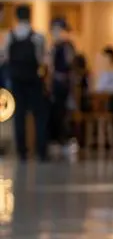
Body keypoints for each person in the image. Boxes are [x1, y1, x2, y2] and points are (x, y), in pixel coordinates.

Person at [0, 5, 48, 161]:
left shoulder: (10, 36)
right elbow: (42, 59)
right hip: (33, 79)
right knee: (39, 115)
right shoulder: (38, 37)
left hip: (16, 80)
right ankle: (41, 150)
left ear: (16, 17)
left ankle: (22, 152)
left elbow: (5, 57)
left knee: (19, 116)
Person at [48, 17, 76, 154]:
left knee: (63, 112)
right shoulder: (54, 46)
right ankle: (56, 140)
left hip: (64, 84)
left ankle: (65, 140)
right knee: (55, 112)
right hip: (55, 83)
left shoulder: (66, 46)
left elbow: (69, 64)